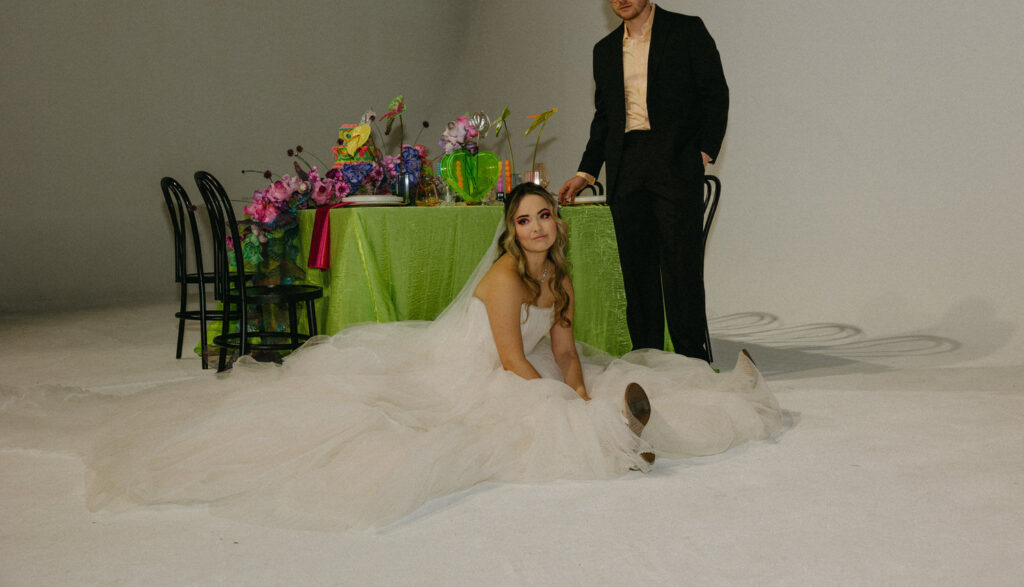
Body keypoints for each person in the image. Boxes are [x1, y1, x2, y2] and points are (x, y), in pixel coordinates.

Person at [0, 184, 779, 532]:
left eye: (546, 217)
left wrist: (578, 386)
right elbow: (514, 362)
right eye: (526, 220)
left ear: (558, 227)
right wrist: (564, 402)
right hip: (469, 371)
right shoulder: (510, 278)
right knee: (528, 415)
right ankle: (615, 436)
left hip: (524, 365)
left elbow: (566, 348)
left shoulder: (558, 275)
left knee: (596, 384)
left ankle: (620, 425)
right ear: (510, 233)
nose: (539, 228)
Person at [559, 0, 730, 361]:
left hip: (675, 160)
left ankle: (692, 360)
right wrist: (586, 171)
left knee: (681, 268)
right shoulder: (604, 50)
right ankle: (648, 359)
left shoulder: (686, 30)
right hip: (627, 164)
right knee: (637, 272)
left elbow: (714, 93)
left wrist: (702, 149)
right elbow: (604, 117)